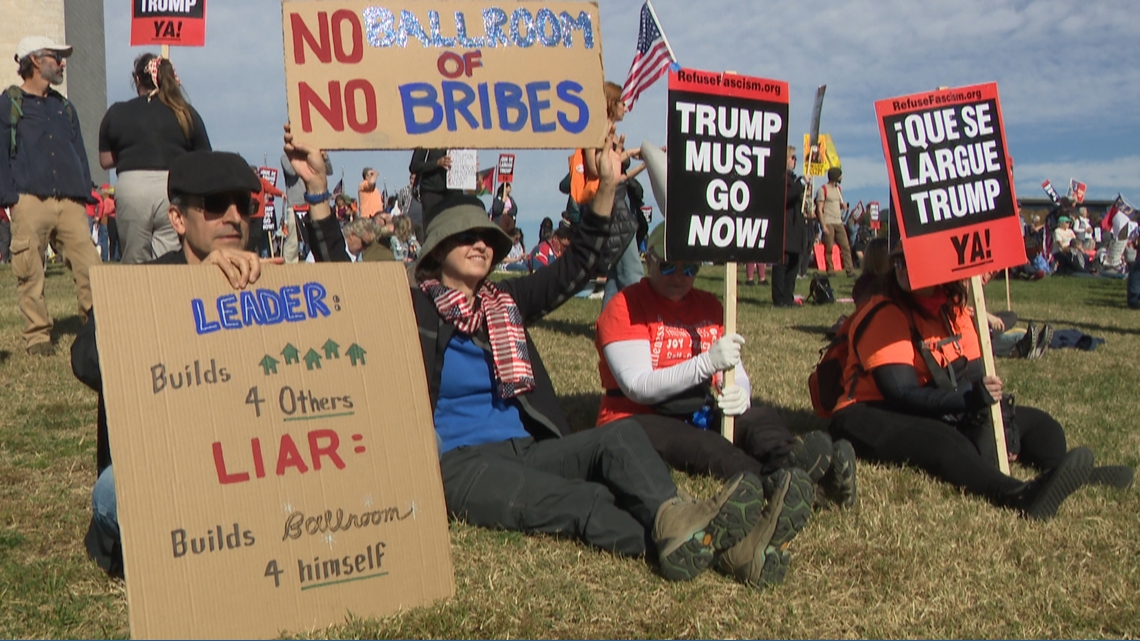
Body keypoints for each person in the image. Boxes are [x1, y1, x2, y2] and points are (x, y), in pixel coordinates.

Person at [288, 123, 790, 586]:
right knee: (584, 502)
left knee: (621, 439)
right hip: (460, 465)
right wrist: (315, 190)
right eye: (465, 237)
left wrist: (608, 187)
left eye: (487, 238)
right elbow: (340, 278)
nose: (480, 245)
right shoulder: (411, 308)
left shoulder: (505, 303)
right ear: (437, 250)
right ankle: (728, 551)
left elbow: (576, 266)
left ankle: (689, 527)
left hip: (527, 446)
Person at [594, 223, 857, 585]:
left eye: (691, 269)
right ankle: (774, 485)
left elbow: (734, 368)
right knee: (708, 447)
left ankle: (796, 465)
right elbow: (639, 386)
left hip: (697, 405)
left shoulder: (709, 305)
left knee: (759, 416)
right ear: (649, 259)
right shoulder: (624, 307)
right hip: (638, 417)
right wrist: (705, 363)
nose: (680, 277)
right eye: (669, 266)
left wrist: (741, 391)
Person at [72, 150, 273, 576]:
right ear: (179, 220)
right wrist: (191, 289)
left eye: (245, 205)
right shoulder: (143, 284)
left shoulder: (273, 282)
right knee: (113, 494)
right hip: (169, 473)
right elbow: (86, 360)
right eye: (216, 205)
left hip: (251, 468)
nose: (234, 217)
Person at [828, 245, 1133, 521]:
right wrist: (968, 402)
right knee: (946, 443)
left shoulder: (955, 310)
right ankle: (1019, 495)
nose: (903, 269)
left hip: (939, 402)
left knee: (1041, 425)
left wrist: (990, 411)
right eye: (899, 262)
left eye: (913, 260)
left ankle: (1064, 475)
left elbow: (973, 375)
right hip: (867, 411)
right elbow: (899, 392)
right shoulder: (885, 312)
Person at [1, 35, 103, 356]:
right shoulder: (9, 103)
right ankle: (37, 337)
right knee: (30, 270)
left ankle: (98, 327)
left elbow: (79, 152)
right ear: (34, 61)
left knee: (91, 267)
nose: (62, 63)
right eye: (55, 57)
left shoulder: (64, 106)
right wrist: (10, 197)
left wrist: (85, 191)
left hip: (71, 201)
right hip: (29, 199)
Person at [98, 53, 211, 264]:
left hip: (132, 187)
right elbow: (203, 157)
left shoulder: (117, 112)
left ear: (138, 79)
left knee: (133, 259)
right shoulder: (185, 112)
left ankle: (133, 296)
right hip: (172, 188)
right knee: (168, 259)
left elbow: (105, 161)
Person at [590, 81, 646, 309]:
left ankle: (606, 323)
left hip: (618, 202)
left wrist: (643, 162)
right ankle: (644, 321)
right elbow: (598, 169)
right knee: (633, 272)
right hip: (611, 207)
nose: (626, 106)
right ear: (611, 104)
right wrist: (629, 153)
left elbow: (618, 178)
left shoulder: (609, 133)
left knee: (616, 273)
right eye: (622, 102)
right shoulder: (599, 132)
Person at [279, 149, 331, 263]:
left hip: (312, 204)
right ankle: (289, 266)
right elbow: (291, 171)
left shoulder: (312, 158)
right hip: (295, 205)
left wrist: (324, 158)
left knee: (314, 237)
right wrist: (301, 158)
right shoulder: (285, 157)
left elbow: (328, 171)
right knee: (293, 240)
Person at [772, 146, 808, 307]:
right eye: (792, 157)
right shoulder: (781, 177)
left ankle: (788, 296)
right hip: (785, 225)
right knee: (782, 263)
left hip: (796, 227)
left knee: (794, 263)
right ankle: (779, 298)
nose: (795, 161)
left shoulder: (793, 178)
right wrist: (800, 186)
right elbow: (786, 196)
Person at [815, 167, 854, 277]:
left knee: (845, 246)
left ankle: (850, 270)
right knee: (829, 247)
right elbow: (819, 208)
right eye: (840, 175)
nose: (841, 178)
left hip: (839, 221)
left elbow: (838, 203)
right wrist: (823, 226)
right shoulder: (823, 190)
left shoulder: (838, 189)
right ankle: (830, 270)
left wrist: (843, 206)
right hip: (828, 221)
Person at [409, 148, 460, 227]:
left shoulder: (460, 138)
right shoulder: (427, 139)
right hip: (432, 192)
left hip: (454, 192)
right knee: (433, 227)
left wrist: (471, 165)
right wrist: (437, 163)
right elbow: (414, 166)